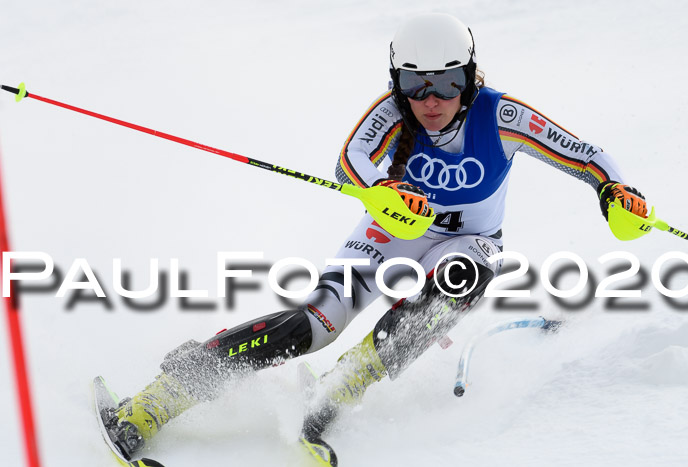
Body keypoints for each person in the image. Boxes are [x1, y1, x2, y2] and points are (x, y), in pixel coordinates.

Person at [100, 12, 648, 463]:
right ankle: (157, 398)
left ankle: (342, 387)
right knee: (313, 327)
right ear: (398, 83)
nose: (431, 101)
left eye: (448, 84)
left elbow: (587, 156)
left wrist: (616, 193)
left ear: (471, 78)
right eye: (415, 86)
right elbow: (348, 161)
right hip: (390, 234)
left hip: (468, 244)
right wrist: (381, 188)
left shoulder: (501, 116)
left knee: (464, 277)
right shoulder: (392, 114)